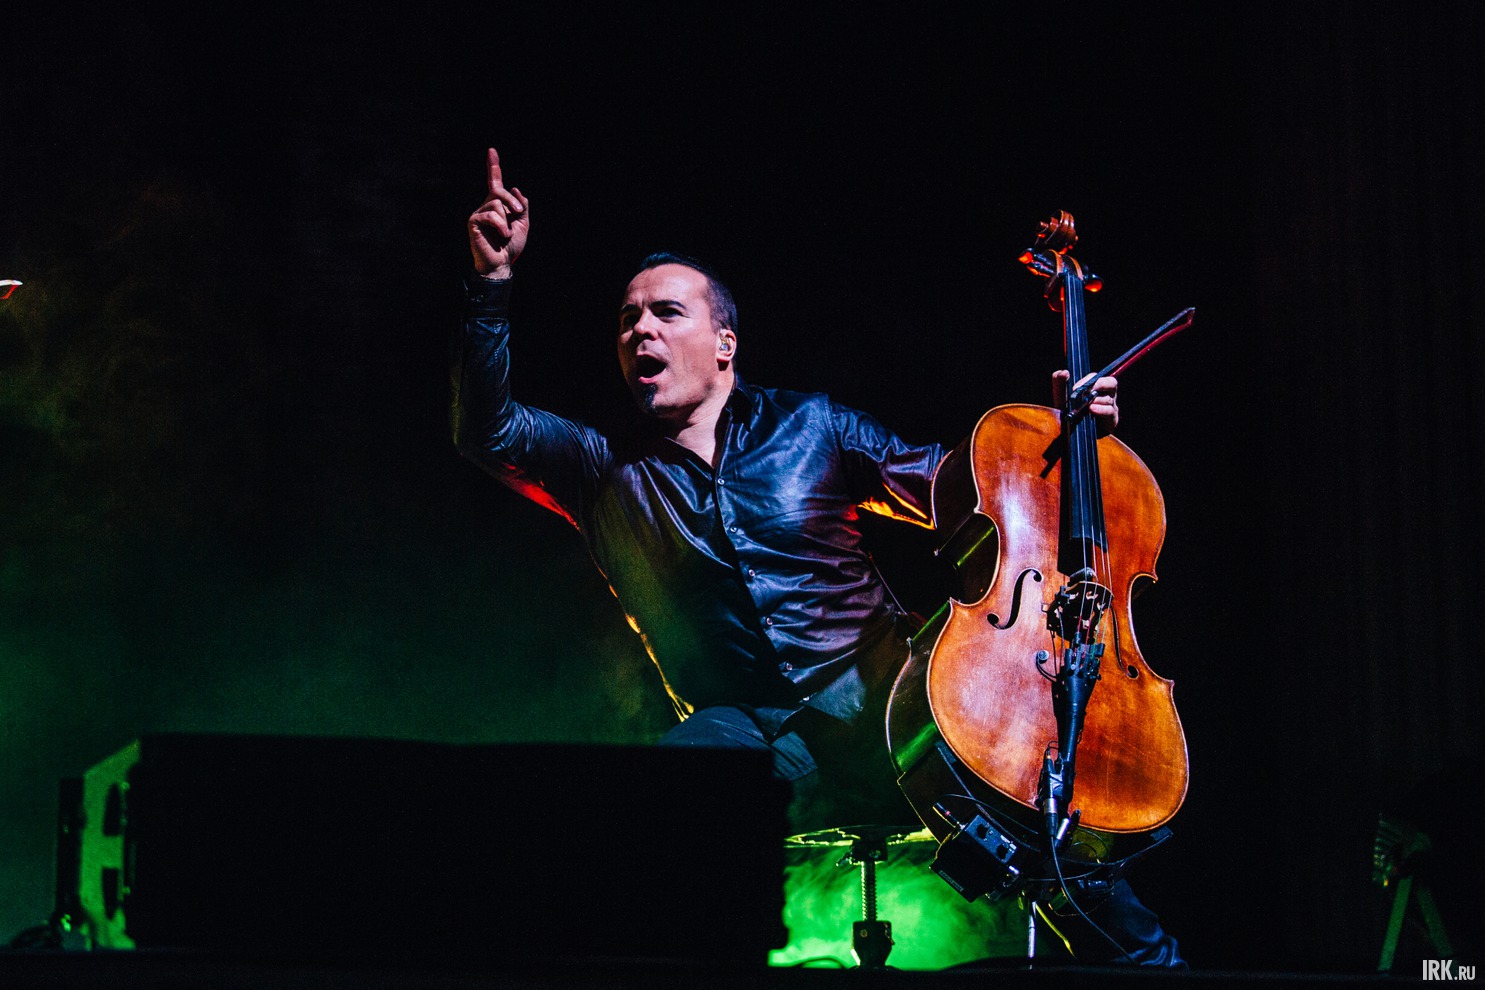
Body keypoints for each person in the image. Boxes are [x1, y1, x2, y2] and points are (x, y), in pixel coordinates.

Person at [452, 147, 1184, 968]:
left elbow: (961, 485)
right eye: (627, 320)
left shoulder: (812, 426)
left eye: (665, 313)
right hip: (747, 731)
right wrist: (491, 286)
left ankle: (1160, 971)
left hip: (892, 708)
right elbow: (487, 430)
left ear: (724, 343)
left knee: (1053, 843)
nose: (640, 331)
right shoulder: (598, 467)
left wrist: (1062, 436)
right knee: (655, 815)